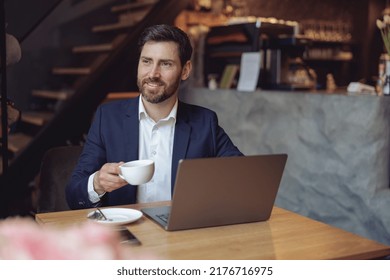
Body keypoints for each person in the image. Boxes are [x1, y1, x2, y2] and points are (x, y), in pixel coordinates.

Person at [66, 24, 243, 209]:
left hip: (181, 233)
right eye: (147, 61)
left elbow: (243, 175)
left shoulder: (205, 122)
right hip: (126, 232)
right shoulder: (108, 118)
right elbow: (73, 194)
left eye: (165, 64)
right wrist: (97, 184)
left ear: (185, 70)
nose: (153, 74)